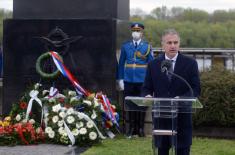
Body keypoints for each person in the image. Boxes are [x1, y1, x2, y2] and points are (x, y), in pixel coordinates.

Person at [142, 29, 201, 155]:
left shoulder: (190, 64)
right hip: (161, 117)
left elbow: (196, 89)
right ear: (163, 45)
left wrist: (181, 99)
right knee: (162, 150)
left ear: (179, 44)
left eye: (175, 42)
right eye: (169, 43)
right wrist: (146, 95)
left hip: (182, 117)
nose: (173, 46)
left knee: (182, 150)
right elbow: (146, 87)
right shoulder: (153, 64)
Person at [117, 22, 153, 137]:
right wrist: (120, 79)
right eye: (134, 31)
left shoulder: (147, 47)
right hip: (128, 80)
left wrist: (150, 81)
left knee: (142, 104)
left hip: (142, 81)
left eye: (138, 31)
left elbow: (151, 65)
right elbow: (121, 63)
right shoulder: (126, 46)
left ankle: (141, 129)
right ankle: (132, 128)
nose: (135, 33)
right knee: (130, 104)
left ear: (142, 33)